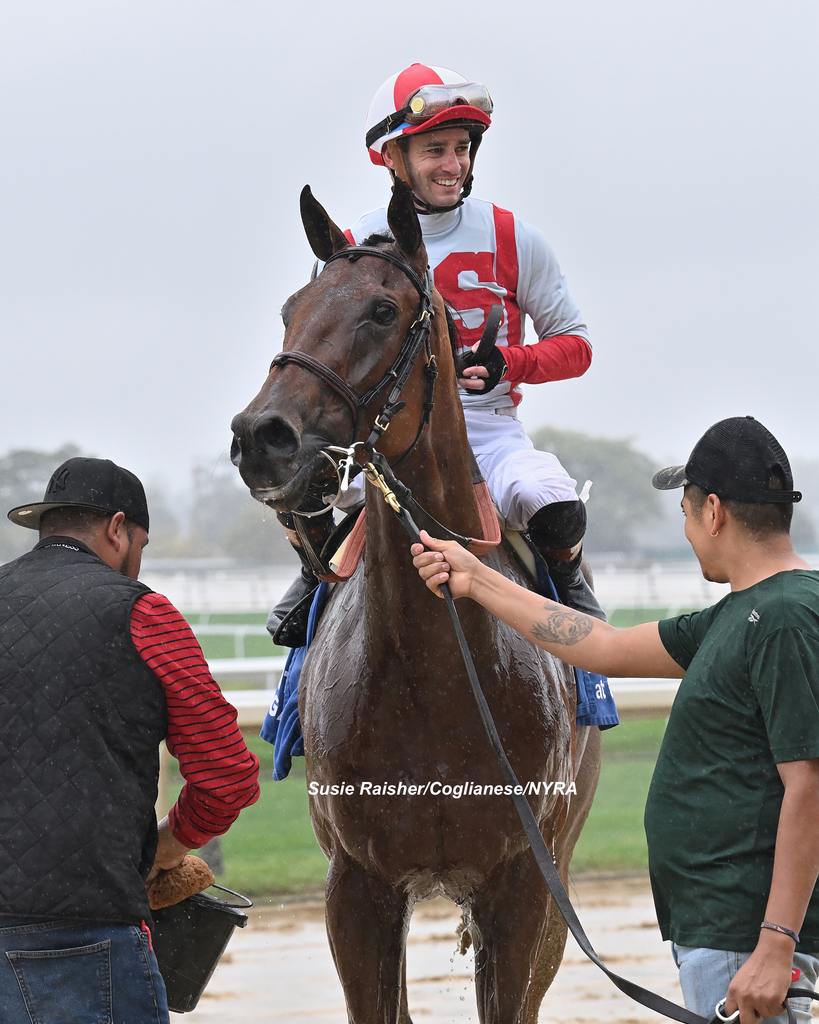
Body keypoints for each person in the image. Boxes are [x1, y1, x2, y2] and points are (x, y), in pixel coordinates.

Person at [412, 415, 819, 1024]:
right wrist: (476, 579)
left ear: (713, 511)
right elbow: (602, 646)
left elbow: (810, 787)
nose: (687, 531)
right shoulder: (743, 614)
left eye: (684, 513)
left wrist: (776, 944)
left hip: (748, 939)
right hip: (725, 928)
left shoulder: (784, 619)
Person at [269, 61, 603, 645]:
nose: (453, 166)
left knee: (554, 505)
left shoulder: (513, 236)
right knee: (302, 498)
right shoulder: (355, 244)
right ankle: (308, 620)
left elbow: (577, 346)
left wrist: (513, 363)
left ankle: (573, 609)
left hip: (489, 432)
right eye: (435, 151)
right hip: (385, 438)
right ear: (392, 158)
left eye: (462, 148)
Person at [0, 457, 261, 1024]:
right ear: (118, 529)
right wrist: (169, 845)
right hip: (89, 934)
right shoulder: (143, 613)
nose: (138, 562)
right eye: (141, 544)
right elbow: (228, 775)